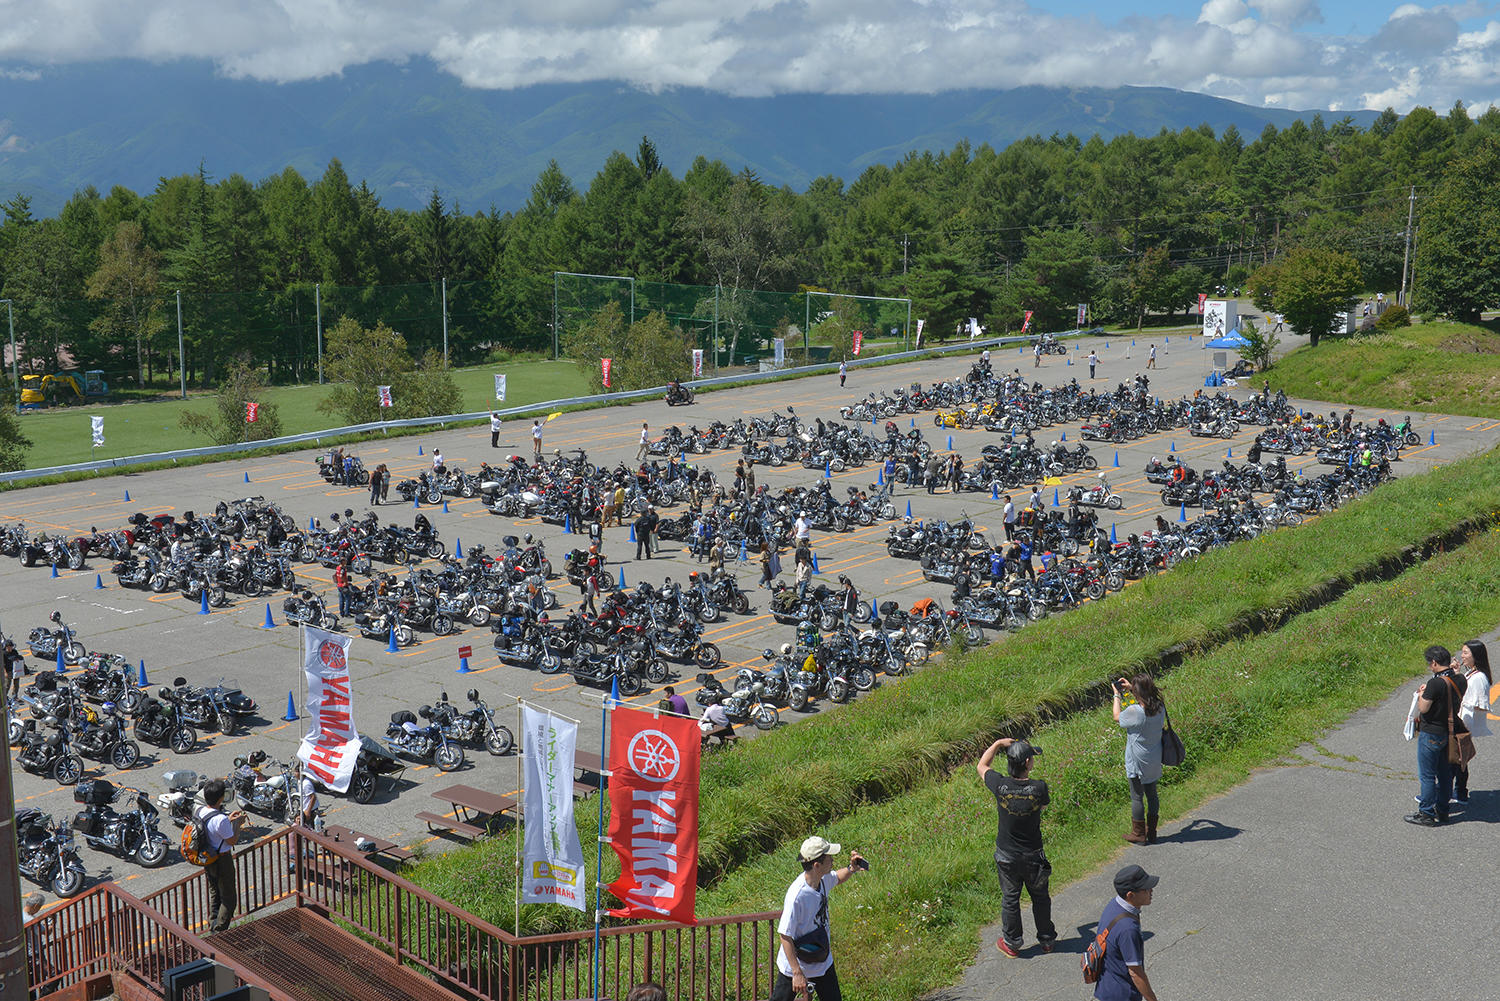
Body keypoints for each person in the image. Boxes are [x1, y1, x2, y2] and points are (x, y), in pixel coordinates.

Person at [978, 737, 1056, 957]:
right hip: (1033, 854)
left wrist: (996, 745)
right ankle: (1047, 939)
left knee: (1011, 898)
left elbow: (982, 766)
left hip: (1006, 854)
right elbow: (1041, 806)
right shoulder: (1039, 787)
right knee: (1040, 896)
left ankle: (1012, 943)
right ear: (1028, 762)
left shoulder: (999, 785)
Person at [774, 836, 866, 1001]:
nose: (832, 860)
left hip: (821, 959)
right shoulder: (797, 896)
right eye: (829, 857)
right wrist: (796, 973)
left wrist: (852, 868)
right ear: (817, 865)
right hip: (797, 963)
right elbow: (785, 935)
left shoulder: (821, 880)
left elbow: (837, 877)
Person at [1409, 644, 1466, 826]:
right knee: (1445, 774)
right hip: (1449, 734)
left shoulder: (1435, 683)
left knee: (1427, 776)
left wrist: (1421, 694)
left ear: (1434, 663)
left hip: (1431, 733)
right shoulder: (1460, 680)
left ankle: (1425, 813)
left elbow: (1423, 708)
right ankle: (1442, 810)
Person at [1093, 865, 1161, 1001]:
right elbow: (1135, 973)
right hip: (1122, 995)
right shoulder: (1128, 929)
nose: (1151, 890)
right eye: (1146, 889)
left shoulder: (1114, 905)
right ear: (1131, 895)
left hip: (1107, 986)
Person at [1113, 675, 1165, 844]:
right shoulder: (1159, 707)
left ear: (1139, 692)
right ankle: (1152, 832)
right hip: (1154, 757)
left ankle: (1139, 834)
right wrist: (1132, 687)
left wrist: (1117, 695)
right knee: (1152, 795)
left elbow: (1116, 716)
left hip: (1137, 760)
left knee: (1137, 797)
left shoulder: (1136, 712)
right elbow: (1148, 697)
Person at [196, 778, 247, 932]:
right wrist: (238, 823)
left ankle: (213, 922)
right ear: (221, 798)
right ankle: (219, 929)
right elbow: (232, 841)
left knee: (215, 892)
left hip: (208, 857)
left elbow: (214, 827)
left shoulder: (200, 811)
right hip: (222, 859)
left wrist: (228, 819)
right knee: (229, 898)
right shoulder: (220, 820)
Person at [1455, 640, 1492, 804]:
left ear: (1475, 656)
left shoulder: (1479, 678)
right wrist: (1457, 674)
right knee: (1458, 760)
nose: (1462, 656)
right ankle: (1460, 792)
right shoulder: (1471, 673)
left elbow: (1481, 705)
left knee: (1457, 759)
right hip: (1462, 721)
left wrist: (1465, 703)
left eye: (1465, 653)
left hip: (1464, 723)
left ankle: (1457, 793)